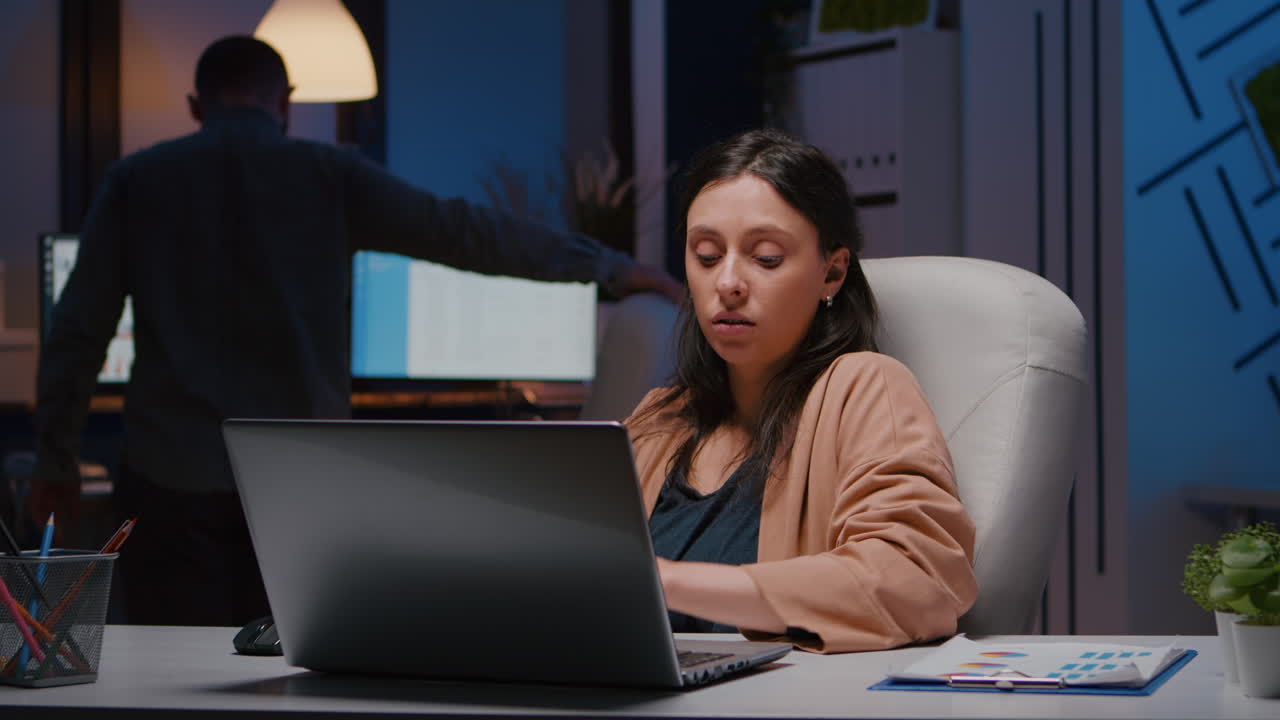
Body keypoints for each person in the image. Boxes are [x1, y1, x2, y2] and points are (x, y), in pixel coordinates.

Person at [30, 35, 681, 627]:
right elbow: (464, 231)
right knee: (291, 667)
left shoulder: (136, 180)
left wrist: (56, 461)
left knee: (167, 671)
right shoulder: (328, 176)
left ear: (195, 104)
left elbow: (76, 332)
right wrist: (613, 269)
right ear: (284, 103)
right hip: (296, 476)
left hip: (168, 477)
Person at [624, 129, 977, 653]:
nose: (728, 283)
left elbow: (916, 579)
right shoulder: (660, 417)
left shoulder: (864, 386)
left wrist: (667, 582)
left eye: (765, 258)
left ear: (832, 272)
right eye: (706, 255)